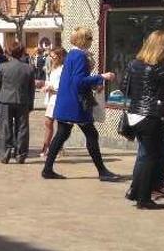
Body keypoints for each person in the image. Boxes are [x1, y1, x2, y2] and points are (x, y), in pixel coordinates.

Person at [42, 28, 120, 181]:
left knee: (61, 135)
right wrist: (101, 77)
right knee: (91, 134)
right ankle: (102, 171)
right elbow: (79, 81)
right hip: (76, 104)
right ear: (84, 40)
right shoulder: (80, 56)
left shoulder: (71, 54)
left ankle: (47, 168)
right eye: (90, 38)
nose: (92, 41)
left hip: (66, 102)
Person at [122, 30, 164, 209]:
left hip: (135, 115)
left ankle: (138, 190)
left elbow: (123, 88)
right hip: (151, 116)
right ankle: (144, 198)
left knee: (160, 150)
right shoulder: (159, 68)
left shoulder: (133, 64)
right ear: (162, 48)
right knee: (150, 156)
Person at [0, 42, 36, 164]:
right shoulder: (28, 68)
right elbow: (31, 89)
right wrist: (30, 104)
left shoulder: (2, 67)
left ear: (9, 53)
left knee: (5, 127)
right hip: (22, 101)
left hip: (5, 100)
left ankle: (4, 154)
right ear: (22, 53)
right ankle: (20, 155)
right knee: (22, 128)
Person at [40, 48, 67, 158]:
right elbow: (51, 81)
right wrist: (44, 84)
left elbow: (63, 84)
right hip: (52, 98)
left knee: (58, 124)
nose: (51, 58)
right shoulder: (53, 68)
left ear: (60, 57)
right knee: (48, 122)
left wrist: (51, 87)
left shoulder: (64, 69)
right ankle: (47, 146)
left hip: (59, 98)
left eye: (53, 56)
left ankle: (56, 147)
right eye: (50, 56)